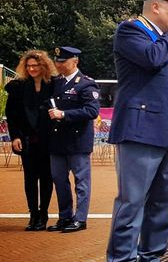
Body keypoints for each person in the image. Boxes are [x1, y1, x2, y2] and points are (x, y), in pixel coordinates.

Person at [105, 0, 168, 262]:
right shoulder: (132, 31)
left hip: (167, 132)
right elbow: (151, 59)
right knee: (133, 200)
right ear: (156, 7)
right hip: (140, 131)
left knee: (162, 201)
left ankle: (150, 258)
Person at [47, 47, 100, 233]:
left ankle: (80, 218)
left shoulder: (86, 84)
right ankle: (65, 216)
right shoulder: (56, 82)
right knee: (59, 180)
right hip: (58, 141)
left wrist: (64, 114)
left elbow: (92, 111)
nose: (59, 65)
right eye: (57, 61)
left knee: (81, 181)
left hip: (77, 141)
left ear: (75, 62)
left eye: (63, 61)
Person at [3, 50, 56, 231]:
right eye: (29, 66)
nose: (32, 68)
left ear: (44, 66)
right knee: (30, 179)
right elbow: (12, 115)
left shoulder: (54, 85)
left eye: (36, 65)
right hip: (27, 140)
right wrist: (15, 136)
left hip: (48, 141)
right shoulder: (18, 87)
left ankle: (44, 214)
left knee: (47, 178)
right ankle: (33, 214)